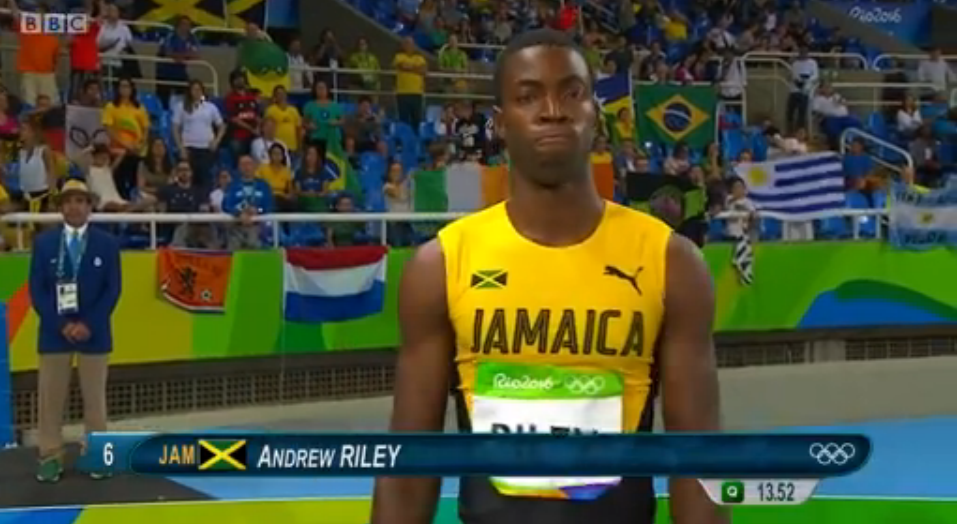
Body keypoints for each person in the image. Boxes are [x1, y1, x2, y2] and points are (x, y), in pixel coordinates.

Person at [371, 29, 727, 524]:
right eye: (528, 96)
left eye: (572, 92)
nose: (552, 110)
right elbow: (408, 466)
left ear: (595, 116)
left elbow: (700, 461)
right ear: (500, 124)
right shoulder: (443, 265)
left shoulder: (671, 261)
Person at [28, 179, 121, 483]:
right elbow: (38, 291)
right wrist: (63, 324)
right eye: (68, 201)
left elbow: (113, 290)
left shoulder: (107, 244)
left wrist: (87, 324)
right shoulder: (44, 243)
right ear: (61, 207)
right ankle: (50, 456)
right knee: (51, 398)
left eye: (80, 201)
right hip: (55, 333)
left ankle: (96, 454)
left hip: (94, 332)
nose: (74, 206)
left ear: (89, 207)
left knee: (94, 398)